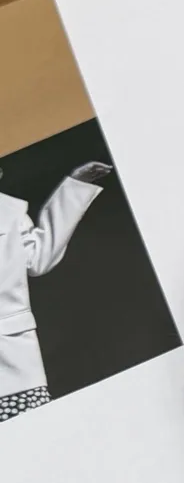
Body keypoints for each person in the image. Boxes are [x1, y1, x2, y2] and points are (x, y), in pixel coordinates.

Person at [0, 158, 110, 421]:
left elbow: (39, 259)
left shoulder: (9, 213)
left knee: (36, 429)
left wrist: (76, 187)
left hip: (13, 357)